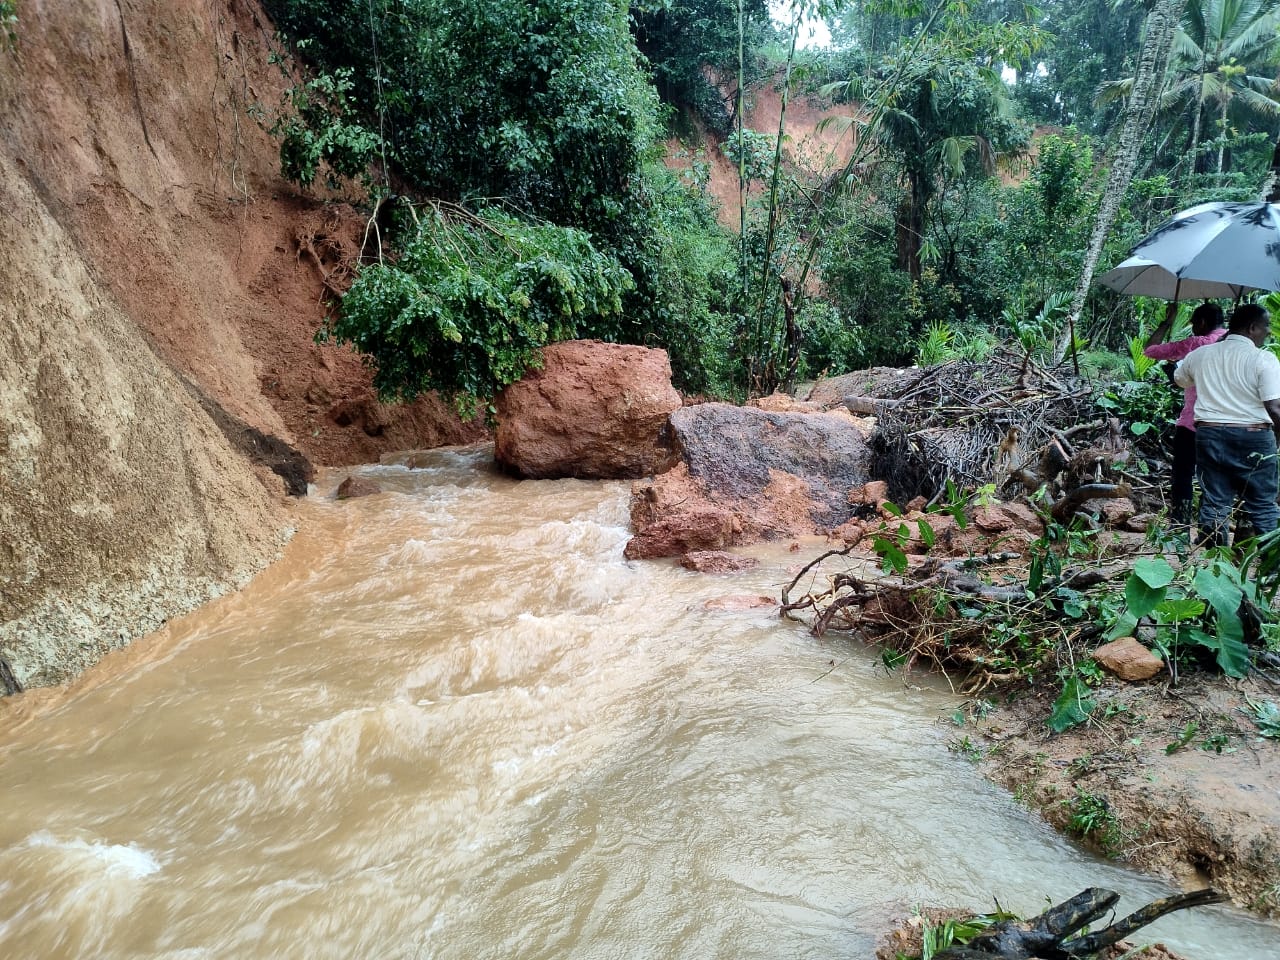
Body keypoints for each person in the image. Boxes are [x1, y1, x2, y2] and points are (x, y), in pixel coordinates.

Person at [1174, 302, 1280, 546]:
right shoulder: (1264, 359)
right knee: (1262, 504)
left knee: (1214, 501)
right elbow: (1274, 407)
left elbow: (1180, 379)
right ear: (1252, 328)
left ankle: (1213, 562)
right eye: (1266, 326)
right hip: (1254, 436)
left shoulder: (1201, 354)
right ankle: (1271, 564)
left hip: (1210, 434)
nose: (1268, 332)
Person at [1143, 302, 1226, 522]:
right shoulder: (1236, 343)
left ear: (1202, 323)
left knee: (1183, 474)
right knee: (1216, 478)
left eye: (1194, 325)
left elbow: (1150, 349)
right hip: (1227, 424)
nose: (1193, 330)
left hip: (1193, 421)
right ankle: (1212, 529)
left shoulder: (1197, 343)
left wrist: (1168, 321)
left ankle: (1180, 526)